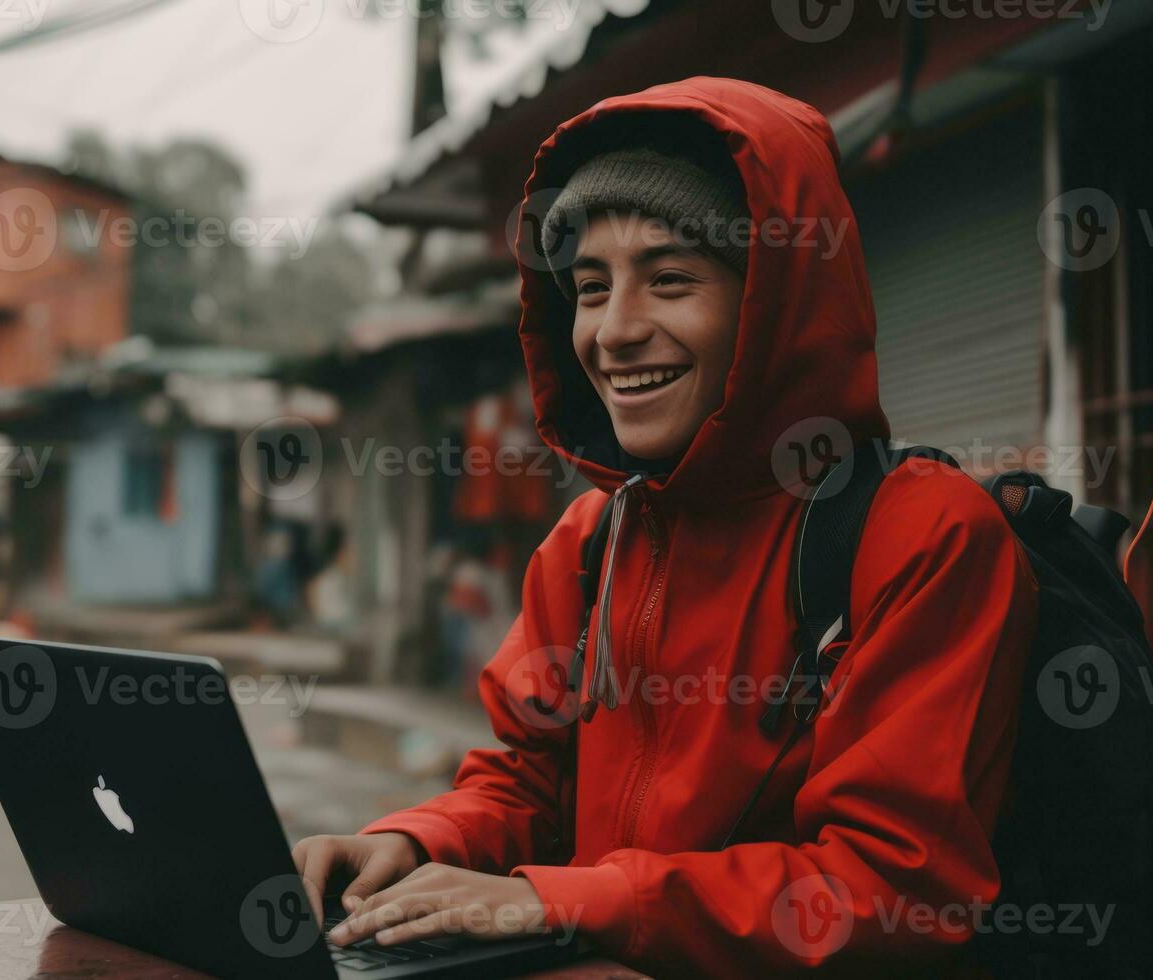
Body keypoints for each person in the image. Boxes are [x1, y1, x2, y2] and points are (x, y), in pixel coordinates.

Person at [293, 77, 1038, 977]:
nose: (613, 332)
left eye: (671, 279)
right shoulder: (586, 546)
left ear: (775, 299)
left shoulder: (919, 536)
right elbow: (529, 782)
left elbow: (889, 890)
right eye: (591, 288)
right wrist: (413, 839)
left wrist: (566, 897)